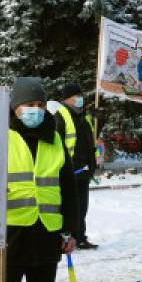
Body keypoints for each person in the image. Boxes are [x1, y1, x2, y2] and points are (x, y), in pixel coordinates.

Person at [0, 77, 77, 282]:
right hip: (10, 237)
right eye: (29, 104)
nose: (35, 110)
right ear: (14, 107)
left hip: (47, 236)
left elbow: (69, 189)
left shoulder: (55, 137)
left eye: (40, 104)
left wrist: (71, 230)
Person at [54, 82, 99, 249]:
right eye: (77, 96)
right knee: (69, 208)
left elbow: (88, 142)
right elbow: (57, 143)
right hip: (69, 171)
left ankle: (80, 237)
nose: (80, 99)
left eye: (81, 95)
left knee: (82, 207)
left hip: (84, 171)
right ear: (67, 99)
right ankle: (67, 239)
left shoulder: (84, 117)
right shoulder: (61, 116)